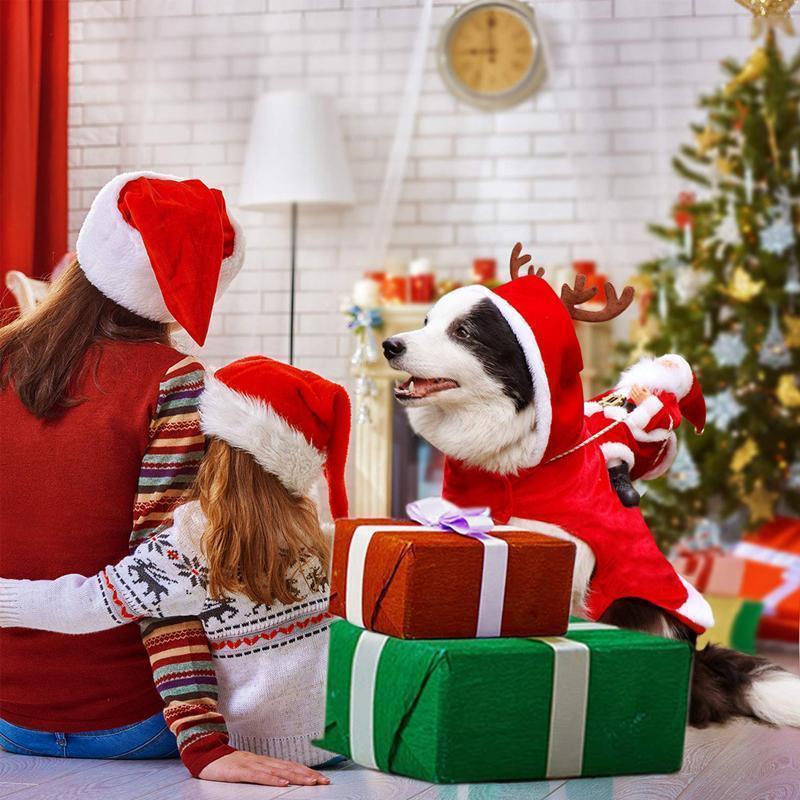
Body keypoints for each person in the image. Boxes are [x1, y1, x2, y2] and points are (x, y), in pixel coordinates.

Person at [0, 172, 322, 785]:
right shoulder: (175, 383)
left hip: (10, 719)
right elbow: (162, 579)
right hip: (130, 724)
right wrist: (205, 745)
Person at [0, 356, 351, 785]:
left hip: (239, 746)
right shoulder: (316, 534)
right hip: (336, 742)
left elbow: (86, 605)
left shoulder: (190, 542)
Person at [584, 354, 706, 507]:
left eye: (673, 366)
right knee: (592, 420)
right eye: (665, 361)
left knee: (615, 428)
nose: (666, 365)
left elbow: (669, 420)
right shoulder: (632, 386)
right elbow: (606, 400)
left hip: (638, 436)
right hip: (613, 419)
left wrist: (647, 402)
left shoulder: (667, 398)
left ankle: (619, 477)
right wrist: (587, 409)